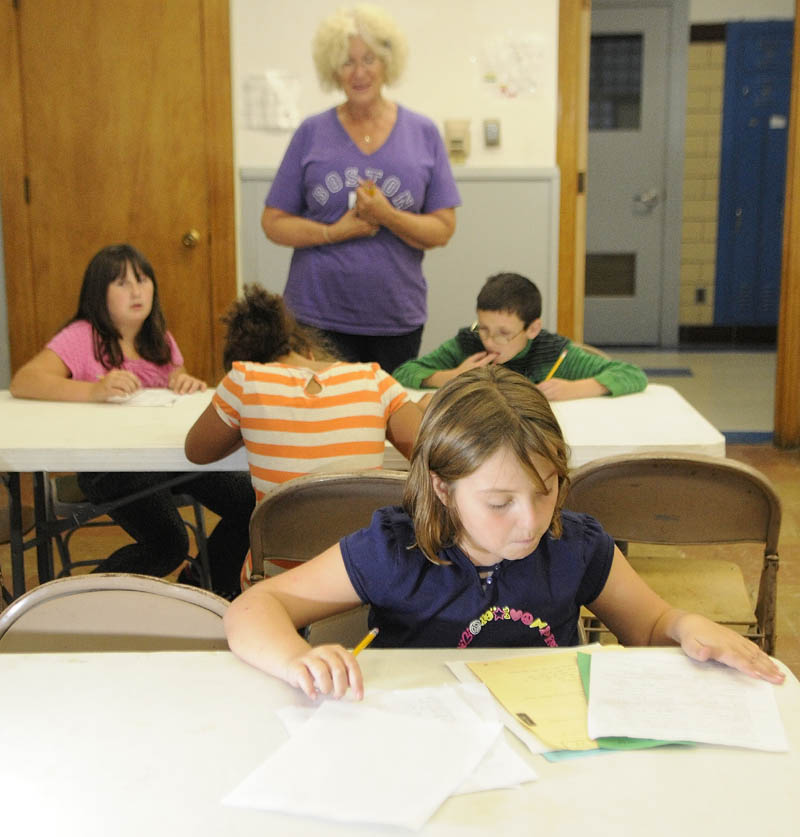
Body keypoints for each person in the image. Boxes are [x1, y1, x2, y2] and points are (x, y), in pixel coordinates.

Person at [223, 366, 784, 700]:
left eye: (546, 489)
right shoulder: (398, 549)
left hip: (549, 748)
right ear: (443, 489)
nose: (532, 519)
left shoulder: (575, 544)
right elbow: (253, 608)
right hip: (423, 747)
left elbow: (652, 623)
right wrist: (296, 658)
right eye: (499, 502)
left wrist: (686, 626)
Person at [10, 243, 254, 598]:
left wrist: (184, 382)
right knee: (168, 542)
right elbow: (24, 381)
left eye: (142, 280)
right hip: (108, 466)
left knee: (252, 505)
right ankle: (69, 604)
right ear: (98, 293)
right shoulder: (83, 336)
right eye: (122, 283)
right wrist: (92, 391)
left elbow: (175, 382)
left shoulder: (159, 339)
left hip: (167, 459)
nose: (137, 291)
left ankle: (198, 591)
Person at [261, 4, 461, 373]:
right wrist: (332, 232)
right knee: (322, 424)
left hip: (395, 317)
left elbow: (443, 228)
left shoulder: (423, 133)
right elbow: (273, 222)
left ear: (387, 63)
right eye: (346, 62)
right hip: (316, 316)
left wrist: (388, 216)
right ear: (332, 70)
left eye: (369, 59)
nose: (359, 72)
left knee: (387, 421)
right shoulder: (311, 132)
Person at [184, 285, 423, 587]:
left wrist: (247, 425)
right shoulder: (374, 380)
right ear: (304, 348)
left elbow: (196, 451)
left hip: (278, 582)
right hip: (361, 574)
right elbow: (433, 452)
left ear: (244, 359)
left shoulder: (244, 380)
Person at [393, 272, 648, 400]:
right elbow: (404, 373)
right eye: (483, 328)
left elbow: (632, 375)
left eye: (504, 334)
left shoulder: (553, 354)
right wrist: (450, 376)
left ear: (532, 329)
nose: (490, 341)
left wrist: (576, 388)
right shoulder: (468, 344)